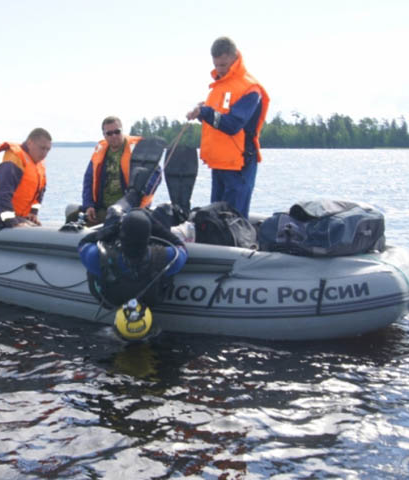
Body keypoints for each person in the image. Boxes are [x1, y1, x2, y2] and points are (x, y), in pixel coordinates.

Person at [186, 36, 269, 219]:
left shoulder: (249, 88)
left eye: (224, 65)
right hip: (220, 163)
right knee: (216, 217)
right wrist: (201, 113)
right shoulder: (218, 87)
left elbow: (233, 125)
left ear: (234, 58)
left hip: (239, 164)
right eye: (216, 66)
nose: (220, 70)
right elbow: (217, 119)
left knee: (233, 218)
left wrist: (206, 112)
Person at [78, 209, 187, 310]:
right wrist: (155, 226)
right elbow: (181, 247)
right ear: (149, 236)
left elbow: (83, 243)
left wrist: (111, 229)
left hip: (110, 302)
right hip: (151, 302)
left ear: (121, 234)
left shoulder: (97, 256)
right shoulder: (167, 257)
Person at [75, 116, 160, 226]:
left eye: (117, 132)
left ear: (122, 130)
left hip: (130, 210)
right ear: (104, 135)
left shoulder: (138, 148)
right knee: (72, 217)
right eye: (109, 133)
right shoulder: (99, 151)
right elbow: (88, 180)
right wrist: (88, 205)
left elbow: (157, 174)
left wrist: (141, 190)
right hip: (103, 209)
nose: (114, 136)